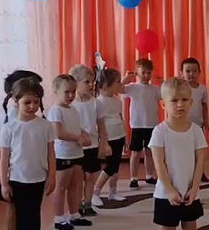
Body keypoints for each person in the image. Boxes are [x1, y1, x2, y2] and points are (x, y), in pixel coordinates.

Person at [149, 78, 208, 230]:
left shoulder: (196, 131)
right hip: (165, 194)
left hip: (190, 192)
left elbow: (200, 161)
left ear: (191, 102)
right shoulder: (160, 131)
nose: (180, 104)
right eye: (174, 100)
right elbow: (159, 163)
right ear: (163, 104)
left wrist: (194, 188)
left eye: (184, 100)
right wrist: (169, 190)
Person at [0, 78, 56, 230]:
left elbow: (51, 154)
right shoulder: (9, 128)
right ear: (16, 102)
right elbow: (3, 160)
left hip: (38, 178)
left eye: (36, 102)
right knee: (21, 215)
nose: (32, 106)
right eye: (27, 102)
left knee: (35, 214)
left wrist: (52, 176)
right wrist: (4, 184)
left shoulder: (45, 125)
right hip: (18, 179)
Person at [48, 75, 93, 230]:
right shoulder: (55, 111)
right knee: (61, 187)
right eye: (67, 92)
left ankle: (74, 214)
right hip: (63, 154)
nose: (71, 95)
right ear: (56, 91)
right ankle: (59, 218)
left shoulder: (73, 109)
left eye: (73, 91)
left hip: (77, 153)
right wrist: (78, 138)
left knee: (75, 185)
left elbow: (77, 127)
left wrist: (85, 135)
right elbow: (58, 133)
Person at [69, 64, 109, 216]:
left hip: (92, 145)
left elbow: (102, 127)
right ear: (76, 83)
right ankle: (78, 204)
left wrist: (103, 144)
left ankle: (88, 202)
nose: (91, 85)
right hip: (76, 146)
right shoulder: (71, 105)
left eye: (93, 82)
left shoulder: (96, 103)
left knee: (90, 176)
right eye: (87, 82)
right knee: (78, 178)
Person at [122, 58, 162, 189]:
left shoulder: (154, 89)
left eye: (148, 73)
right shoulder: (133, 87)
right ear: (137, 73)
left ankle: (149, 176)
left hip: (152, 125)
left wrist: (161, 81)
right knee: (135, 153)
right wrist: (127, 78)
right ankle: (133, 178)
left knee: (149, 152)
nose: (146, 76)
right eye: (143, 72)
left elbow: (165, 93)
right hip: (137, 125)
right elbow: (119, 89)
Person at [93, 68, 128, 203]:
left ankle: (113, 192)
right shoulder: (99, 102)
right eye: (118, 82)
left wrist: (125, 136)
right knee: (110, 166)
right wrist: (105, 142)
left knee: (116, 166)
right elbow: (99, 124)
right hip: (109, 138)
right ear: (107, 85)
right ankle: (96, 191)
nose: (121, 84)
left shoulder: (117, 100)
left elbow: (120, 117)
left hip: (119, 135)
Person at [181, 57, 209, 182]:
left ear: (199, 72)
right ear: (182, 73)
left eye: (194, 71)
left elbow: (204, 106)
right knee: (184, 149)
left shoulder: (202, 89)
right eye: (187, 71)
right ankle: (185, 173)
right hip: (183, 125)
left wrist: (206, 121)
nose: (191, 74)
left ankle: (200, 172)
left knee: (199, 149)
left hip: (198, 124)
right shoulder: (181, 88)